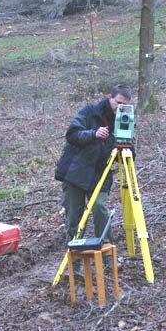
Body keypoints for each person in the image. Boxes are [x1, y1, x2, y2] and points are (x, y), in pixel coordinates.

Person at [54, 84, 132, 249]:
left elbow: (130, 153)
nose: (120, 108)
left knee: (99, 207)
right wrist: (93, 134)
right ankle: (74, 258)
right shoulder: (89, 112)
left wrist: (126, 142)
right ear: (108, 97)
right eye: (118, 103)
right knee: (74, 216)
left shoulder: (123, 120)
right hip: (75, 173)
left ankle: (106, 250)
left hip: (100, 175)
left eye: (124, 105)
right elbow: (72, 134)